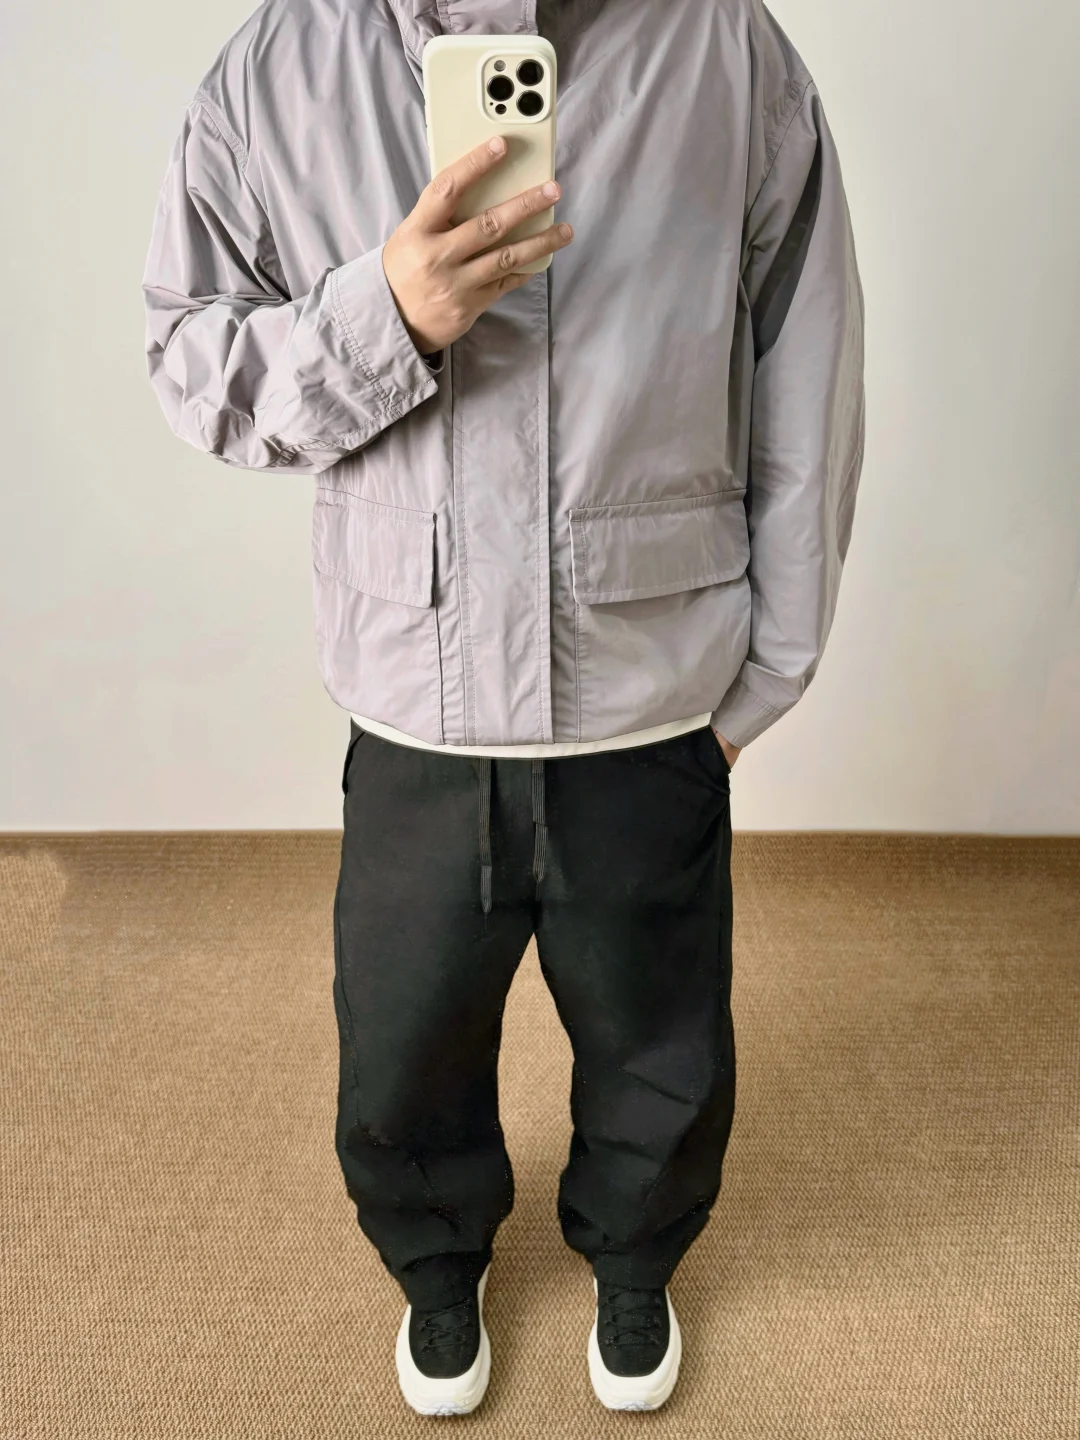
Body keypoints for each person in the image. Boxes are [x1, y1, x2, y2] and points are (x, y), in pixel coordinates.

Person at [142, 0, 865, 1416]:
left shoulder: (722, 48)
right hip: (414, 697)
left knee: (660, 1032)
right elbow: (190, 363)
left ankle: (637, 1261)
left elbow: (807, 360)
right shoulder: (280, 66)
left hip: (645, 690)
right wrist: (385, 317)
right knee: (401, 1040)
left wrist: (773, 665)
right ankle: (435, 1269)